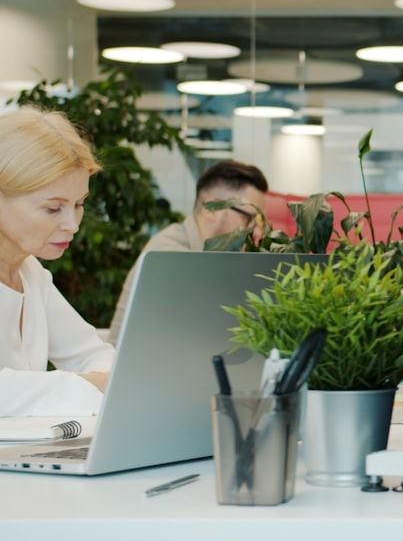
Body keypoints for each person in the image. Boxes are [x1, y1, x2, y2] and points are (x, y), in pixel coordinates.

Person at [0, 106, 115, 416]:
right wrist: (86, 386)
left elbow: (94, 354)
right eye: (53, 209)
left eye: (78, 204)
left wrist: (84, 383)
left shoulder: (30, 272)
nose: (73, 225)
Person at [108, 160, 268, 340]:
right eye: (250, 218)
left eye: (261, 222)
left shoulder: (210, 256)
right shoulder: (170, 254)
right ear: (211, 208)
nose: (258, 231)